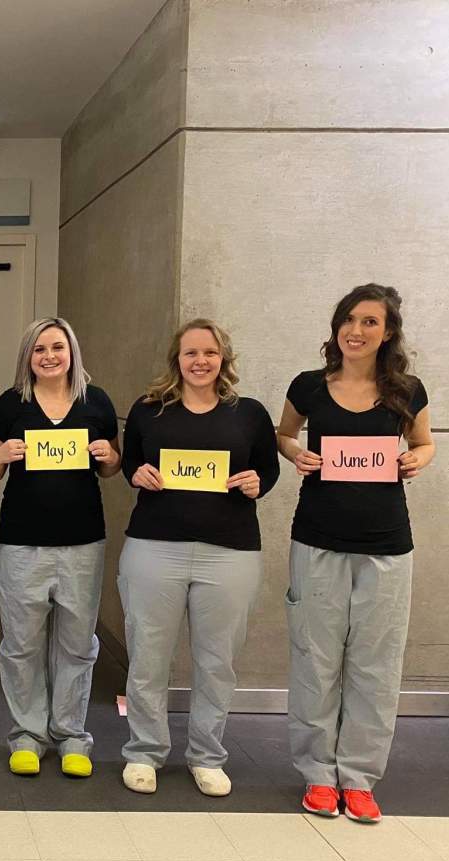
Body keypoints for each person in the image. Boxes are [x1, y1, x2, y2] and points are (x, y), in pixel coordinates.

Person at [276, 284, 434, 823]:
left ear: (387, 333)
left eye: (370, 322)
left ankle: (360, 778)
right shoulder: (308, 387)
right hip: (317, 539)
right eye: (349, 319)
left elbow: (425, 442)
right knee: (316, 660)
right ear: (336, 327)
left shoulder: (406, 390)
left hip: (388, 547)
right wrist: (298, 454)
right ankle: (319, 775)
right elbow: (284, 435)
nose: (357, 330)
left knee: (376, 664)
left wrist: (419, 459)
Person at [118, 319, 279, 798]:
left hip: (228, 554)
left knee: (217, 661)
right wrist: (138, 473)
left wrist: (257, 484)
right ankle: (144, 752)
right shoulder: (149, 411)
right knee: (147, 657)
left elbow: (265, 472)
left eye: (209, 352)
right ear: (177, 360)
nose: (200, 361)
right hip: (153, 549)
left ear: (223, 358)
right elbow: (130, 463)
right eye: (191, 353)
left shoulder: (248, 414)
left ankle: (207, 755)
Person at [0, 317, 121, 778]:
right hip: (23, 542)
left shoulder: (95, 402)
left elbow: (109, 469)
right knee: (22, 643)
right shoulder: (9, 405)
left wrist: (109, 456)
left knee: (78, 642)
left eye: (57, 347)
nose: (48, 356)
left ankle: (70, 734)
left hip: (82, 542)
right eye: (39, 349)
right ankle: (27, 734)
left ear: (71, 352)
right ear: (28, 357)